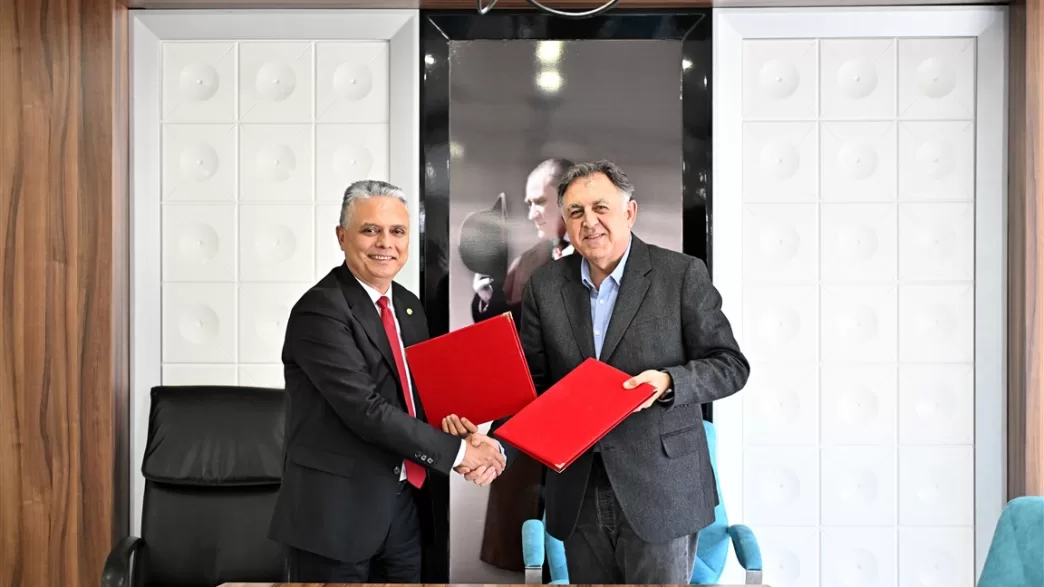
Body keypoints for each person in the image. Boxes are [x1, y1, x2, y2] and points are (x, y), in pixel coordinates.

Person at [488, 160, 749, 584]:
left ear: (629, 212)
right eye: (576, 212)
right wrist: (496, 446)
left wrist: (669, 382)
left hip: (662, 490)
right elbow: (533, 384)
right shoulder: (545, 286)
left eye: (600, 208)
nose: (589, 221)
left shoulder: (681, 274)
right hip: (578, 489)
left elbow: (730, 365)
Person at [268, 179, 507, 583]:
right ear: (342, 237)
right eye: (370, 230)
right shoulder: (320, 311)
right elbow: (366, 410)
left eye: (397, 231)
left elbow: (417, 399)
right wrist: (458, 454)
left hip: (405, 507)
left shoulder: (408, 306)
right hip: (335, 518)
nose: (386, 243)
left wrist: (465, 431)